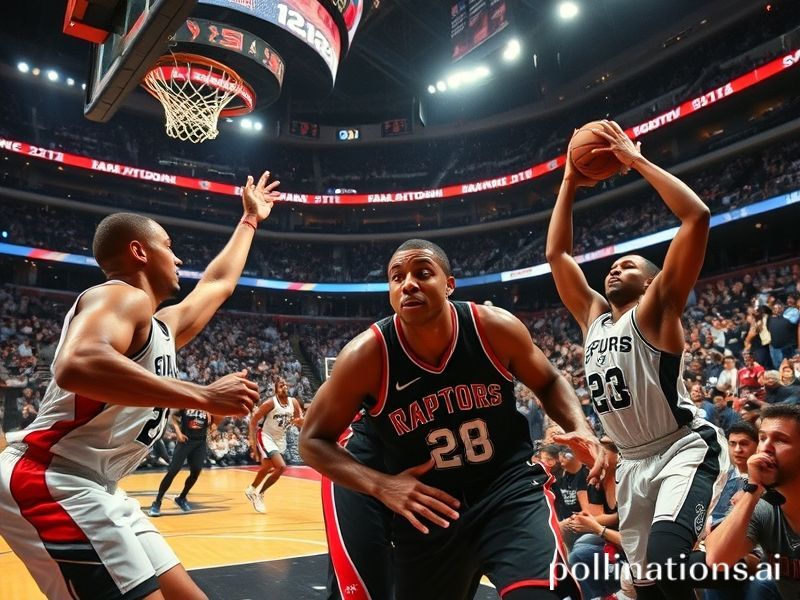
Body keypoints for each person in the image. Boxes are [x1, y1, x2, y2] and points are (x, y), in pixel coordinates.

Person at [0, 171, 279, 600]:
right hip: (51, 477)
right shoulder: (119, 295)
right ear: (139, 252)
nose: (179, 259)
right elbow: (76, 365)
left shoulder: (159, 326)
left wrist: (249, 221)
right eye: (168, 247)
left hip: (98, 485)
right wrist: (204, 395)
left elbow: (217, 285)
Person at [300, 239, 604, 600]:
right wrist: (383, 486)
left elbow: (550, 379)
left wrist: (580, 426)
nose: (408, 283)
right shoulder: (366, 355)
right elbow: (311, 440)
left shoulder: (492, 327)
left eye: (422, 273)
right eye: (397, 278)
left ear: (449, 284)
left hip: (505, 491)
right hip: (428, 507)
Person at [546, 120, 728, 599]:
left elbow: (697, 218)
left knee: (670, 563)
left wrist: (635, 160)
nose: (614, 268)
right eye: (611, 265)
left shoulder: (658, 308)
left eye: (627, 265)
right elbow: (558, 253)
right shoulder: (592, 319)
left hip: (682, 448)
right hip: (631, 464)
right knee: (645, 586)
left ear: (651, 282)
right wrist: (568, 180)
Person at [705, 404, 800, 599]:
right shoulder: (764, 507)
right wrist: (753, 489)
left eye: (781, 440)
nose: (765, 448)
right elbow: (718, 559)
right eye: (763, 438)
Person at [245, 376, 304, 513]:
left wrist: (300, 422)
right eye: (281, 386)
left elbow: (299, 420)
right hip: (266, 436)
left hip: (280, 438)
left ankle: (252, 488)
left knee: (266, 468)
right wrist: (252, 442)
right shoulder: (270, 403)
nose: (284, 387)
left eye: (285, 385)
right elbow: (253, 421)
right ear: (276, 390)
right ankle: (259, 494)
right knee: (281, 467)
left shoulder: (293, 402)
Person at [149, 409, 213, 517]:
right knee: (173, 471)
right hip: (186, 441)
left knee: (196, 472)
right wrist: (178, 433)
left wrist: (211, 418)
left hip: (200, 442)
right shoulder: (186, 403)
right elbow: (172, 416)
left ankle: (181, 498)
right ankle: (157, 502)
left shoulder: (207, 404)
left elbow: (215, 421)